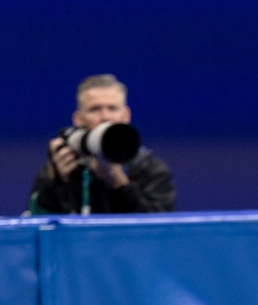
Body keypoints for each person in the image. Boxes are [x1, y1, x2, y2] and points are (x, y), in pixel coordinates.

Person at [27, 74, 175, 215]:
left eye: (112, 108)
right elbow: (35, 222)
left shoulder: (150, 169)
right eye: (95, 109)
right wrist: (54, 184)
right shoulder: (64, 165)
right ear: (78, 119)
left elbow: (158, 231)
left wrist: (121, 186)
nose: (105, 117)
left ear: (126, 116)